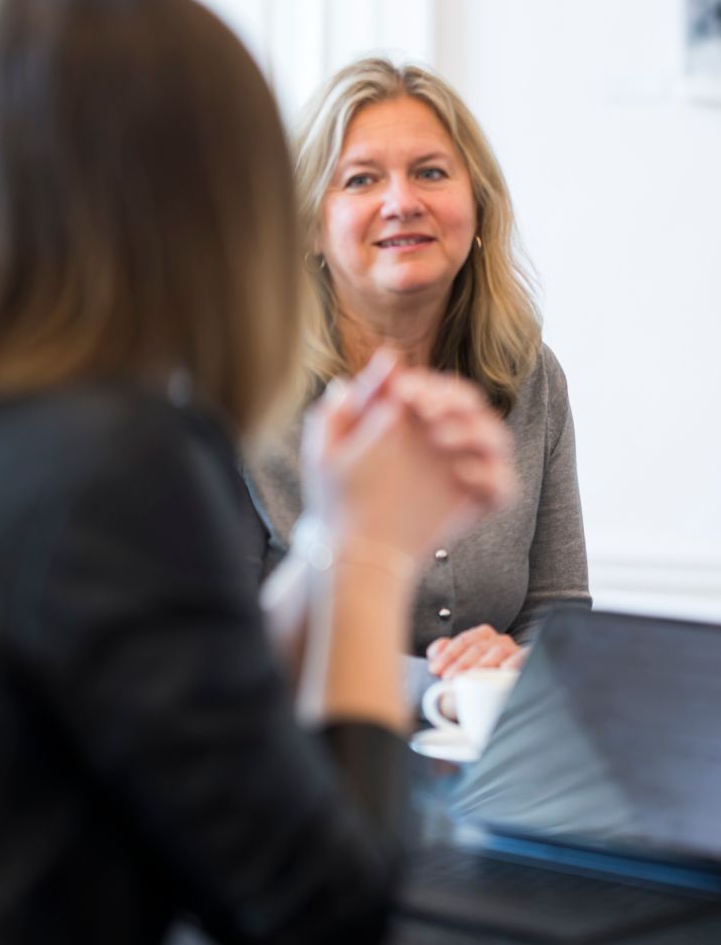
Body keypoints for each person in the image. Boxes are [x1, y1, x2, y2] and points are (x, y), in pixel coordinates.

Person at [0, 0, 515, 945]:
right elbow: (325, 906)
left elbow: (186, 688)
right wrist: (370, 556)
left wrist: (328, 536)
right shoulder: (108, 461)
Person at [243, 57, 589, 679]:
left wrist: (516, 663)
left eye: (430, 173)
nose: (402, 202)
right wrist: (438, 686)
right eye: (360, 181)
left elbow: (558, 615)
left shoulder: (530, 375)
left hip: (483, 758)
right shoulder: (243, 393)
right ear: (312, 229)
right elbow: (222, 651)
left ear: (477, 208)